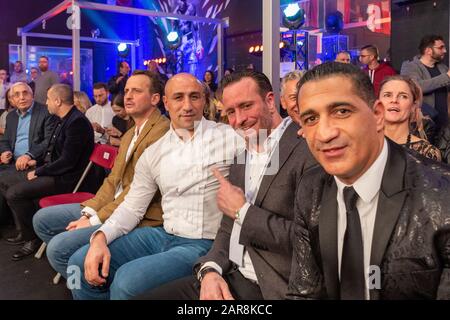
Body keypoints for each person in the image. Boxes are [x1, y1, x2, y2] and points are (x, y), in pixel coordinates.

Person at [138, 71, 316, 300]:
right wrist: (211, 269)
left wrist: (243, 211)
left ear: (270, 101)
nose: (239, 119)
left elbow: (310, 241)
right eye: (231, 111)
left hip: (274, 287)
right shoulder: (241, 155)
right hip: (231, 274)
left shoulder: (306, 147)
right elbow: (228, 228)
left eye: (246, 106)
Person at [67, 73, 242, 300]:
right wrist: (101, 237)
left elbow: (272, 157)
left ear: (204, 101)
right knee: (77, 265)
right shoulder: (154, 152)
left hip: (204, 242)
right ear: (166, 103)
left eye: (195, 97)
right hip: (162, 234)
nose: (187, 106)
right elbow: (132, 207)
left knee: (127, 282)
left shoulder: (231, 137)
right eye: (178, 97)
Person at [287, 61, 450, 300]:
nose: (325, 133)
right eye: (311, 118)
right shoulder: (310, 188)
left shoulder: (442, 195)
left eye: (341, 111)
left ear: (377, 115)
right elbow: (304, 292)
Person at [33, 70, 170, 279]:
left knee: (58, 249)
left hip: (137, 214)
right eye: (126, 91)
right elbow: (112, 180)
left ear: (155, 98)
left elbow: (137, 193)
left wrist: (96, 218)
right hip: (112, 205)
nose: (128, 96)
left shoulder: (161, 131)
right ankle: (87, 277)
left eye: (136, 91)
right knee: (42, 220)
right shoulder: (131, 133)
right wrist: (90, 211)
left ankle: (91, 281)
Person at [0, 84, 94, 261]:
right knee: (5, 179)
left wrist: (38, 171)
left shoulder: (77, 122)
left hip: (67, 179)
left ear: (57, 101)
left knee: (14, 193)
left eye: (49, 99)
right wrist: (37, 162)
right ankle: (27, 229)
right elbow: (53, 151)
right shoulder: (64, 118)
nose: (46, 102)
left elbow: (67, 162)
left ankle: (32, 238)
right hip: (55, 172)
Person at [380, 75, 441, 161]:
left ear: (413, 106)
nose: (394, 100)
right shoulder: (363, 146)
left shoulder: (427, 152)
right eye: (387, 95)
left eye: (403, 96)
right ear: (378, 104)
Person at [401, 35, 450, 133]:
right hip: (424, 124)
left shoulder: (443, 68)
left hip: (445, 124)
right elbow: (417, 87)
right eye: (441, 47)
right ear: (428, 50)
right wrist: (447, 77)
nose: (444, 51)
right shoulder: (410, 66)